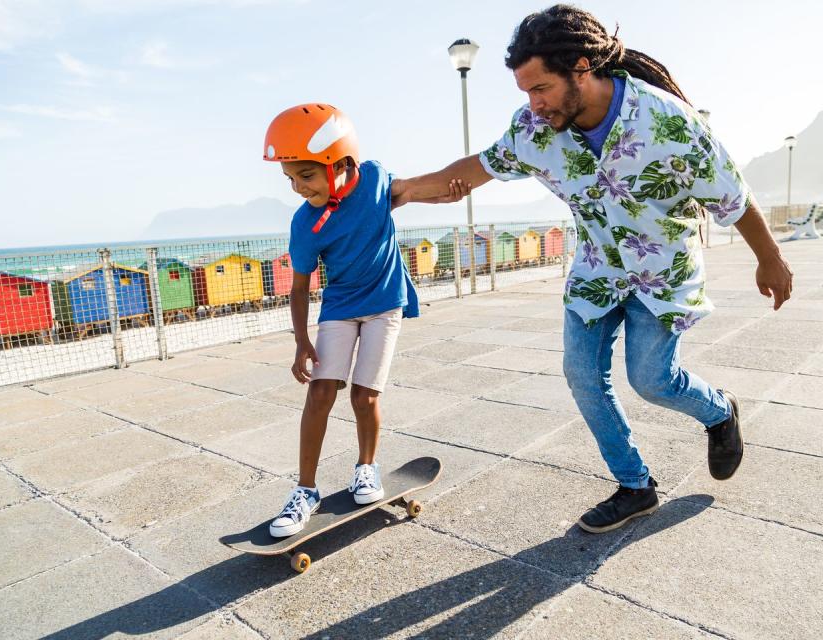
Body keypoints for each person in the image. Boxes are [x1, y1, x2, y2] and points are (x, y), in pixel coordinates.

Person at [396, 5, 793, 533]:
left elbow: (734, 196)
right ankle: (635, 485)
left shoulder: (669, 122)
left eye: (540, 88)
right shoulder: (535, 130)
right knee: (583, 378)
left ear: (582, 68)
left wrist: (770, 258)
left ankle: (719, 413)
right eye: (525, 93)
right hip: (596, 270)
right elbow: (470, 172)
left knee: (652, 381)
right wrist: (396, 193)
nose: (533, 104)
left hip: (662, 271)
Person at [263, 103, 468, 537]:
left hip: (384, 303)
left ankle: (366, 469)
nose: (299, 187)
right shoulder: (305, 223)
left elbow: (406, 191)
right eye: (291, 179)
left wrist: (446, 192)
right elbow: (300, 287)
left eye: (307, 175)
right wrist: (301, 340)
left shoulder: (373, 178)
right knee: (320, 393)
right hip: (339, 306)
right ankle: (305, 491)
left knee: (363, 396)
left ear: (341, 163)